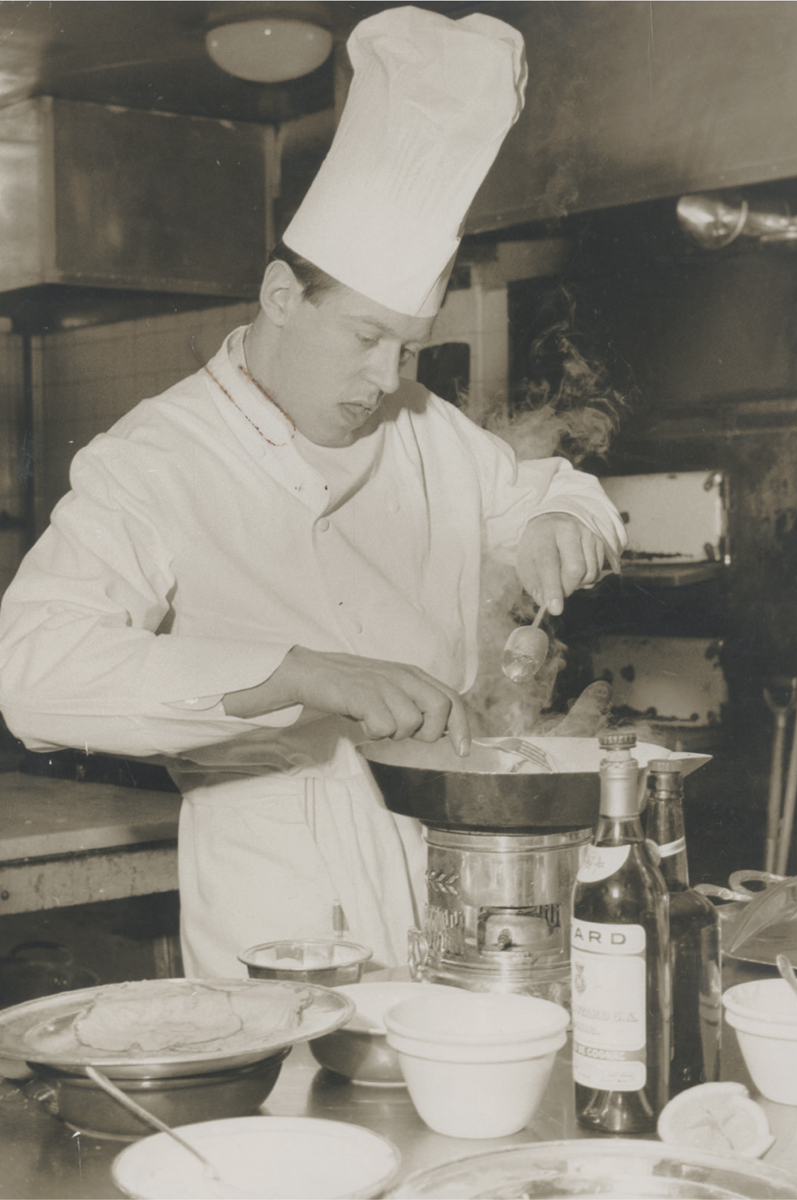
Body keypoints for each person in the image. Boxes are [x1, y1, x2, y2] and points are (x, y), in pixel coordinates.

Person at [0, 7, 626, 977]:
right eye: (367, 339)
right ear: (283, 296)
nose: (387, 380)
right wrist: (301, 672)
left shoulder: (422, 424)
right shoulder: (158, 458)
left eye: (408, 348)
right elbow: (34, 671)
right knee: (304, 1113)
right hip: (272, 871)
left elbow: (557, 488)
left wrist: (559, 519)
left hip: (456, 842)